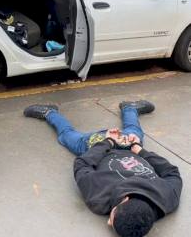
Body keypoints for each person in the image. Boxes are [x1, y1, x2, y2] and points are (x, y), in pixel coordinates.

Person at [24, 101, 182, 237]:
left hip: (104, 145)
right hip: (122, 144)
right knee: (67, 135)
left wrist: (108, 142)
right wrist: (139, 149)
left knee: (133, 131)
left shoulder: (168, 199)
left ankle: (50, 112)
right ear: (125, 200)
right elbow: (81, 164)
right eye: (111, 218)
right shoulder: (100, 197)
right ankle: (129, 107)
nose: (107, 221)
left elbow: (172, 173)